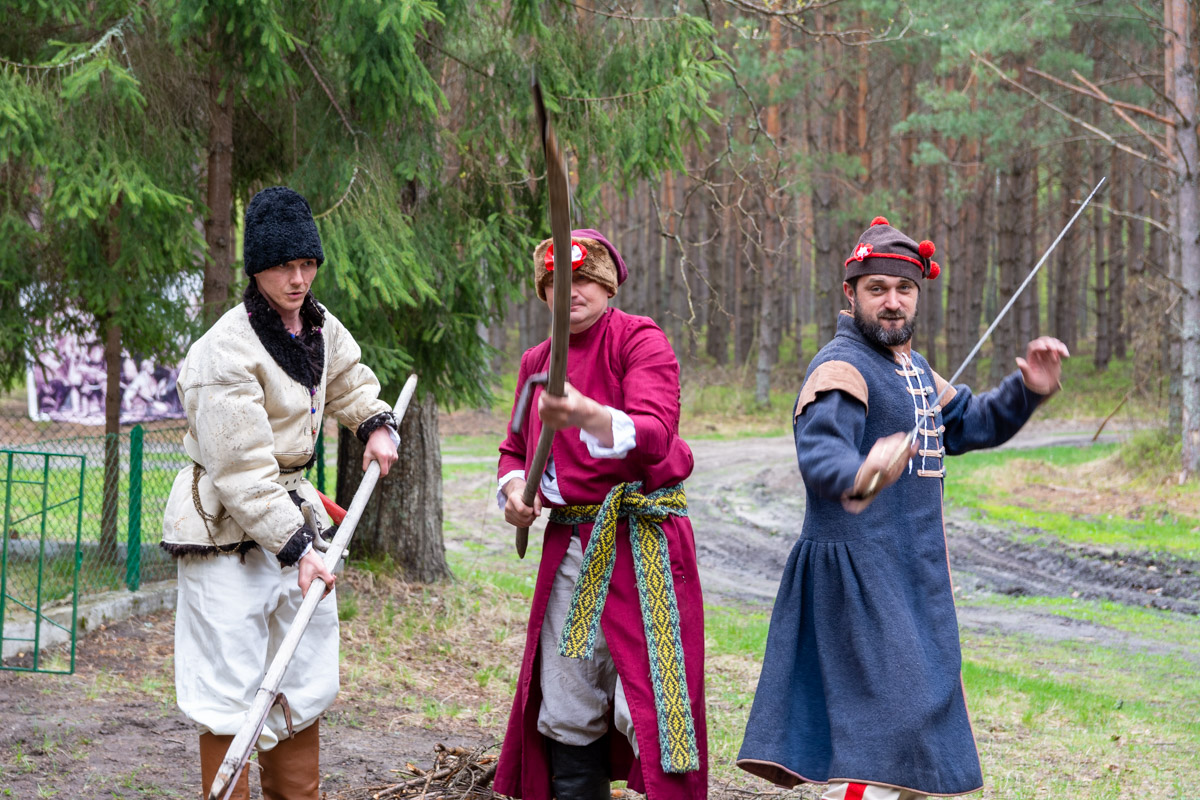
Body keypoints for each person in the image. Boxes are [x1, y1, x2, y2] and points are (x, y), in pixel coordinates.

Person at [736, 217, 1068, 800]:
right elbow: (822, 452)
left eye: (904, 289)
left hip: (909, 575)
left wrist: (1028, 389)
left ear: (918, 294)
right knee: (883, 742)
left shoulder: (912, 368)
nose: (892, 302)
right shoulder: (841, 367)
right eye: (877, 289)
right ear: (851, 294)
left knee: (913, 740)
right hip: (856, 579)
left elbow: (971, 422)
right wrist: (861, 472)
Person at [160, 186, 399, 800]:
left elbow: (348, 380)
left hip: (294, 516)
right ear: (258, 268)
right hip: (226, 530)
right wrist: (299, 550)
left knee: (302, 670)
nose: (298, 279)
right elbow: (241, 471)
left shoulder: (317, 325)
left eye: (308, 264)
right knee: (230, 682)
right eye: (285, 267)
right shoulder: (224, 351)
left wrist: (373, 423)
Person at [494, 230, 708, 800]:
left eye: (584, 279)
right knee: (568, 697)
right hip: (571, 549)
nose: (571, 291)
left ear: (608, 287)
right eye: (557, 282)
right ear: (544, 292)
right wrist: (515, 491)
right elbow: (514, 449)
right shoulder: (536, 363)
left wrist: (588, 414)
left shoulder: (639, 339)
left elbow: (656, 433)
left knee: (654, 705)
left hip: (643, 543)